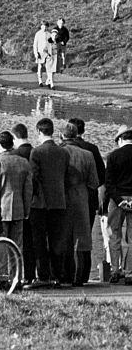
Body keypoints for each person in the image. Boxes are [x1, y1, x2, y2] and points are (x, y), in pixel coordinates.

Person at [28, 118, 69, 288]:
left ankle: (43, 275)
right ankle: (57, 276)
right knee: (56, 240)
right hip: (59, 201)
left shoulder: (36, 152)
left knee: (39, 241)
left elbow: (34, 178)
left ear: (39, 132)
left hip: (40, 203)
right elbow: (65, 176)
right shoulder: (63, 153)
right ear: (52, 131)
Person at [59, 122, 99, 286]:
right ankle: (81, 277)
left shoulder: (59, 152)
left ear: (62, 136)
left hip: (62, 197)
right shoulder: (88, 154)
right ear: (76, 135)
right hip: (82, 197)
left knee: (63, 236)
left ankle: (65, 274)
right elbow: (94, 182)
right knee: (82, 239)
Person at [0, 131, 33, 273]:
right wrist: (26, 210)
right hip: (19, 209)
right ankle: (16, 275)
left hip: (1, 209)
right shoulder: (24, 162)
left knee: (0, 244)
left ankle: (1, 276)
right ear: (12, 144)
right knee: (17, 245)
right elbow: (28, 190)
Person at [104, 125, 132, 285]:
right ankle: (129, 272)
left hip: (117, 200)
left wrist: (119, 200)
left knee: (114, 235)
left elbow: (109, 183)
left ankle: (115, 270)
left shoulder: (113, 156)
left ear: (120, 139)